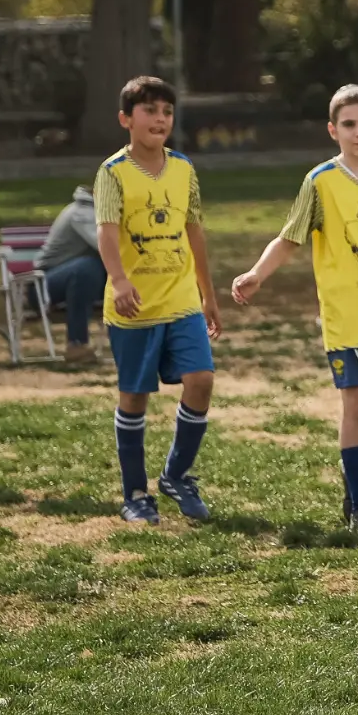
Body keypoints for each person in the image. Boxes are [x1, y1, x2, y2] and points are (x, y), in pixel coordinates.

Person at [230, 86, 358, 530]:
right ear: (333, 131)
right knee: (356, 406)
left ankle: (352, 470)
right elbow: (289, 238)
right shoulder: (321, 181)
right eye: (350, 124)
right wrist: (257, 274)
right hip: (345, 316)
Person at [95, 76, 223, 525]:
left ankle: (176, 475)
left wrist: (209, 295)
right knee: (135, 398)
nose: (160, 119)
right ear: (126, 119)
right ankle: (135, 494)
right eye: (149, 111)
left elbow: (195, 231)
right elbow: (106, 233)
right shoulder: (112, 173)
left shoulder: (184, 168)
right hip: (134, 311)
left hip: (182, 302)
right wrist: (120, 280)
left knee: (202, 380)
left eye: (167, 111)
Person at [38, 185, 105, 362]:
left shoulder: (104, 213)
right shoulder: (81, 213)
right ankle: (76, 344)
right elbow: (107, 248)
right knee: (86, 267)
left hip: (81, 283)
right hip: (42, 286)